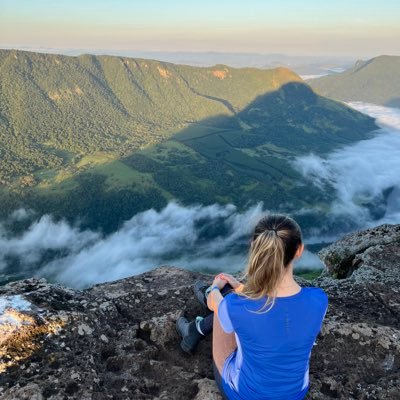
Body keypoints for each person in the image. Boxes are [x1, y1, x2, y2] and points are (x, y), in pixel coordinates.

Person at [176, 214, 328, 400]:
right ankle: (201, 322)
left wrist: (215, 288)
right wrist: (240, 287)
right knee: (234, 309)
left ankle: (194, 331)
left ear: (254, 247)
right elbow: (278, 312)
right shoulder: (319, 300)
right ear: (299, 250)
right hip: (295, 393)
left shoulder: (237, 306)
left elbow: (215, 303)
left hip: (245, 393)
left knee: (223, 308)